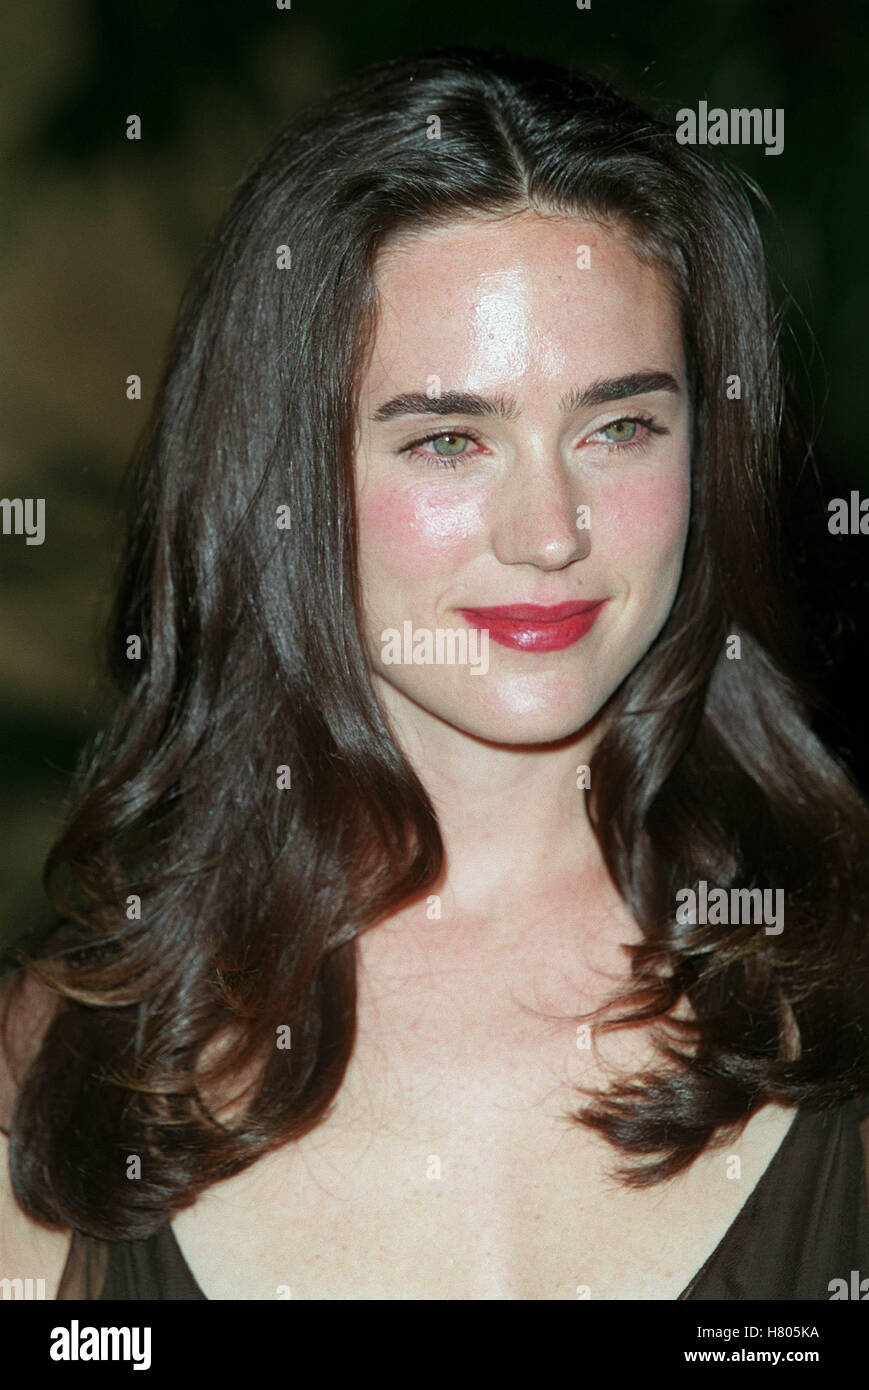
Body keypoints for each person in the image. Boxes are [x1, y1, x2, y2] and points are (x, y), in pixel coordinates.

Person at [2, 47, 868, 1301]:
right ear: (283, 477)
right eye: (449, 439)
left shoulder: (839, 980)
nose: (549, 532)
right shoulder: (64, 1064)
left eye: (619, 425)